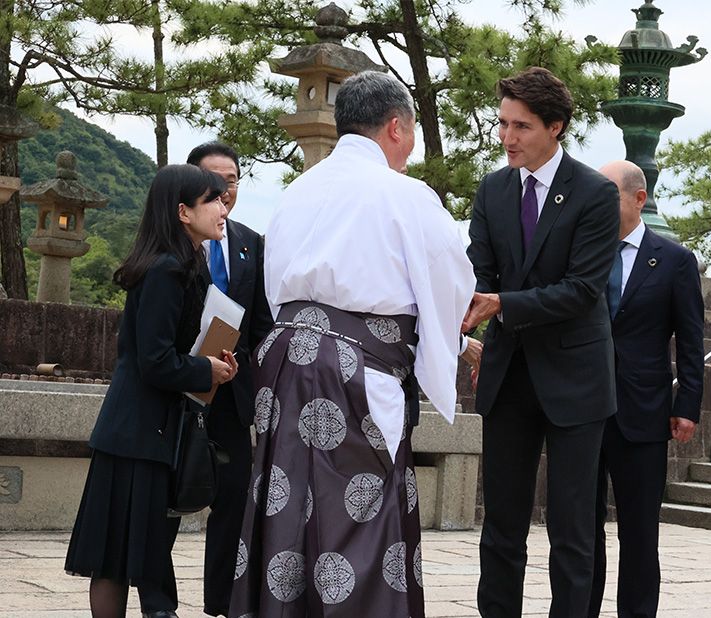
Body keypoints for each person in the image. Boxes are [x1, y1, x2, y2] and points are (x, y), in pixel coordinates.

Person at [228, 70, 474, 618]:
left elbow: (274, 289)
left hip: (284, 360)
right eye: (409, 135)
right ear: (395, 127)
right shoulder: (406, 194)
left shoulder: (297, 191)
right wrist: (445, 343)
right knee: (361, 515)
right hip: (355, 367)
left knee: (284, 505)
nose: (409, 149)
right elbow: (449, 281)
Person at [463, 66, 620, 617]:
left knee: (573, 529)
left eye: (521, 126)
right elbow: (479, 269)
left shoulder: (596, 194)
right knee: (501, 526)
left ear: (555, 128)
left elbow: (581, 290)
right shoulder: (493, 188)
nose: (507, 137)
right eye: (502, 123)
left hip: (576, 380)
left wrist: (503, 304)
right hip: (509, 377)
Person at [64, 164, 238, 618]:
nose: (223, 208)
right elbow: (155, 361)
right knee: (117, 555)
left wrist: (213, 363)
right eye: (212, 201)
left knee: (134, 551)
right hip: (137, 433)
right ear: (183, 212)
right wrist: (205, 369)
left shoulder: (186, 263)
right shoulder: (165, 270)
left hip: (150, 431)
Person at [586, 160, 704, 618]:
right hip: (583, 410)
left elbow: (691, 341)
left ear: (639, 199)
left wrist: (688, 404)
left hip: (644, 413)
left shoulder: (674, 260)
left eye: (607, 194)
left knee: (638, 533)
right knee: (581, 530)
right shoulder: (584, 252)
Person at [185, 141, 273, 616]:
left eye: (232, 181)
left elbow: (260, 324)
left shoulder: (251, 243)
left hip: (234, 393)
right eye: (214, 182)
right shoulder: (175, 243)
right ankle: (161, 600)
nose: (224, 190)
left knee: (235, 496)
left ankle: (221, 602)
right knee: (170, 497)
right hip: (180, 391)